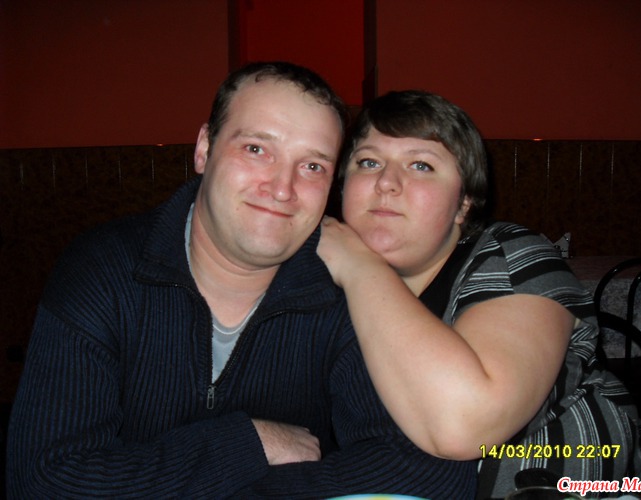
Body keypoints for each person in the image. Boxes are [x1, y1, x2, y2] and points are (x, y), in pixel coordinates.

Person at [6, 64, 477, 498]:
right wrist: (246, 443)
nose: (282, 188)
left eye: (312, 166)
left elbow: (434, 471)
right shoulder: (105, 269)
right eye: (256, 149)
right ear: (204, 149)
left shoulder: (345, 292)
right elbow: (42, 481)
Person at [317, 89, 641, 499]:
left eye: (421, 165)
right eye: (368, 162)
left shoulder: (513, 255)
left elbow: (463, 424)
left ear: (463, 204)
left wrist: (361, 267)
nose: (386, 183)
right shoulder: (322, 279)